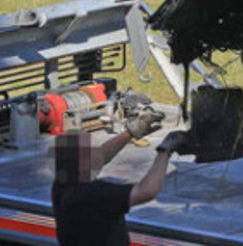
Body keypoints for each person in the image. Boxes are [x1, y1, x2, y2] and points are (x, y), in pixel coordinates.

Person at [51, 105, 188, 246]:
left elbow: (99, 157)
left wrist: (130, 133)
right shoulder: (94, 194)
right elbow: (147, 190)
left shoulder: (62, 185)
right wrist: (165, 150)